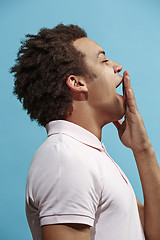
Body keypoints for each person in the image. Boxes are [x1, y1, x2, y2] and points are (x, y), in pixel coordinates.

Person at [10, 24, 160, 240]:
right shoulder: (65, 159)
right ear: (77, 82)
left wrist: (143, 150)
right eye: (104, 60)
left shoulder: (86, 155)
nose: (117, 66)